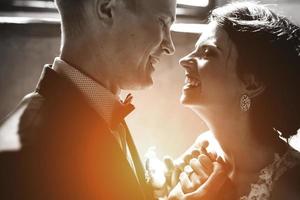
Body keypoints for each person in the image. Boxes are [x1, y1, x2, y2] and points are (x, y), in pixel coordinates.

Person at [0, 0, 177, 199]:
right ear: (107, 9)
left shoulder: (98, 107)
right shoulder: (28, 153)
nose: (170, 47)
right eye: (163, 22)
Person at [168, 1, 300, 200]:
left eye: (208, 53)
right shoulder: (205, 146)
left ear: (251, 84)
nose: (184, 61)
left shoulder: (291, 184)